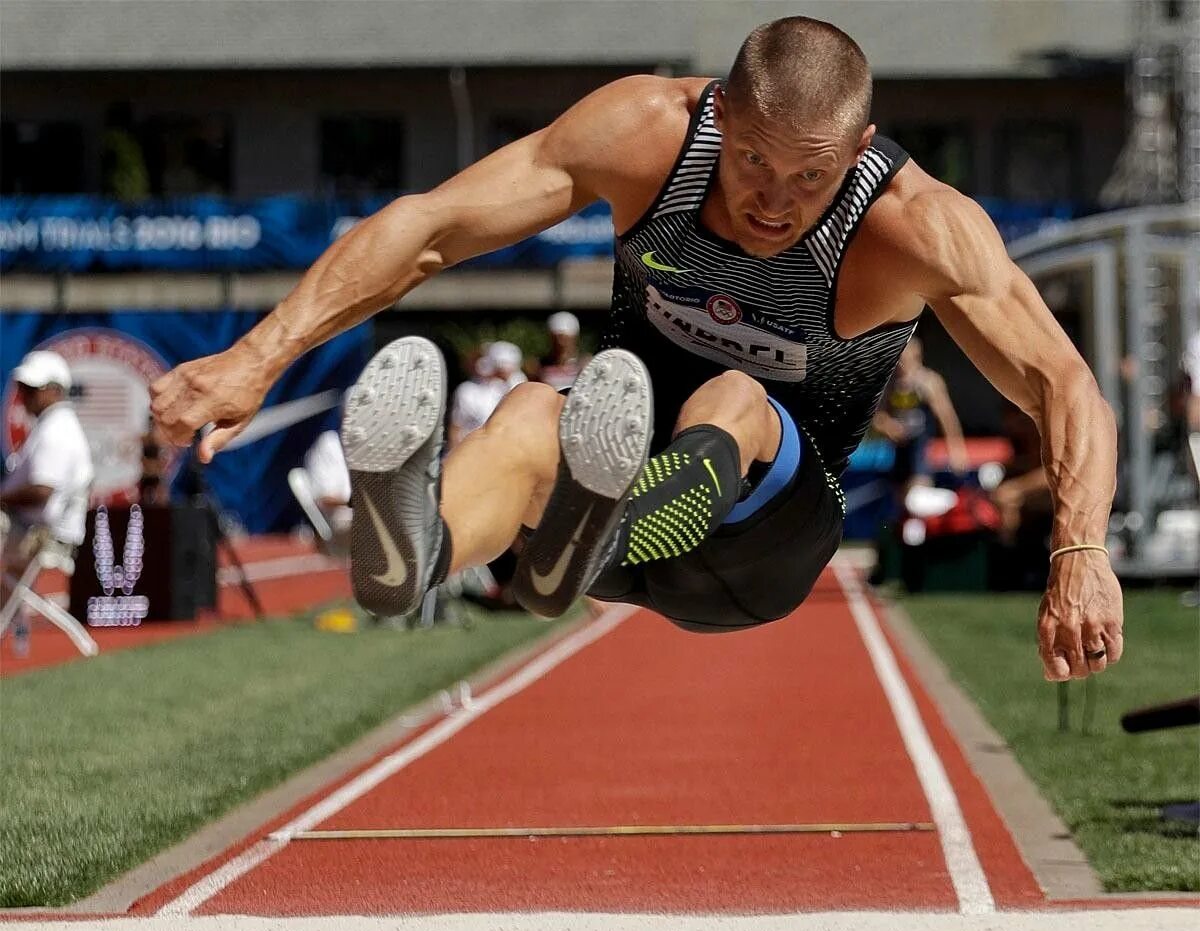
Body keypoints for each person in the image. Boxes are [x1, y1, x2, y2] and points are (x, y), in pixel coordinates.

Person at [151, 16, 1123, 683]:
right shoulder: (645, 133)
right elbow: (433, 225)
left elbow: (1063, 382)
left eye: (810, 176)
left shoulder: (913, 224)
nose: (774, 200)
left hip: (764, 547)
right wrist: (256, 356)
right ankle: (411, 558)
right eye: (752, 161)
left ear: (859, 147)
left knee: (736, 400)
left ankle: (602, 527)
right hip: (591, 522)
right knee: (531, 410)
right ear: (718, 115)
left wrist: (1080, 548)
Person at [1, 350, 94, 600]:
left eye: (33, 389)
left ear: (55, 390)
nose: (25, 396)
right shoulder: (52, 425)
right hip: (31, 528)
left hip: (39, 534)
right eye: (23, 389)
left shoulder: (57, 430)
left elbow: (42, 491)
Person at [872, 336, 968, 502]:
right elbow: (877, 417)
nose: (902, 366)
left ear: (917, 356)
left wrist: (956, 449)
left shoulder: (928, 382)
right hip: (899, 449)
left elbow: (947, 417)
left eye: (906, 360)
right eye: (899, 360)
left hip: (921, 447)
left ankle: (951, 501)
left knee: (916, 495)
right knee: (900, 498)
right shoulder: (890, 383)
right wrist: (889, 426)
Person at [538, 311, 588, 391]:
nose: (560, 342)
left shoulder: (586, 364)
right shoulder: (538, 367)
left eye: (565, 338)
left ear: (574, 338)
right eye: (556, 338)